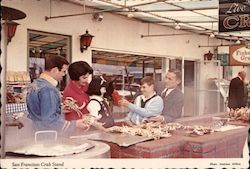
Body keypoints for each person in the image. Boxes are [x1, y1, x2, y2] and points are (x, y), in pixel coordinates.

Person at [26, 55, 88, 132]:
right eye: (63, 71)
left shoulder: (35, 84)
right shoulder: (49, 89)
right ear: (55, 70)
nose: (64, 74)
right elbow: (50, 121)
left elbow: (39, 111)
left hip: (36, 131)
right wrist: (75, 124)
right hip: (47, 135)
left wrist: (59, 110)